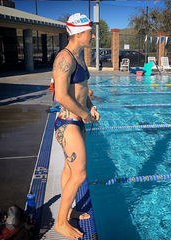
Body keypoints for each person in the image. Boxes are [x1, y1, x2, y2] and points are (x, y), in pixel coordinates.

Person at [52, 13, 100, 239]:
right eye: (90, 31)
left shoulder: (79, 56)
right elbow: (60, 96)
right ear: (79, 33)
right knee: (80, 174)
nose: (92, 34)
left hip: (78, 120)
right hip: (68, 122)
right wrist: (83, 114)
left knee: (69, 170)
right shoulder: (65, 57)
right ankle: (60, 223)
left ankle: (68, 210)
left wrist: (90, 108)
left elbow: (82, 90)